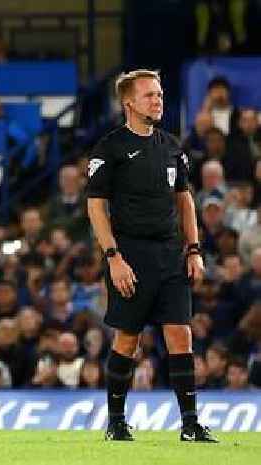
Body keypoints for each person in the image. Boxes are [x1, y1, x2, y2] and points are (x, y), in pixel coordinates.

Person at [86, 69, 217, 442]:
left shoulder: (172, 147)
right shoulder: (109, 149)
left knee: (181, 335)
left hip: (170, 253)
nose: (157, 100)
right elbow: (96, 209)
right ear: (129, 102)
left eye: (159, 94)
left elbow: (185, 202)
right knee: (128, 339)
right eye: (149, 95)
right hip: (130, 254)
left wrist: (193, 249)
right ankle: (115, 422)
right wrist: (113, 256)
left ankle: (190, 424)